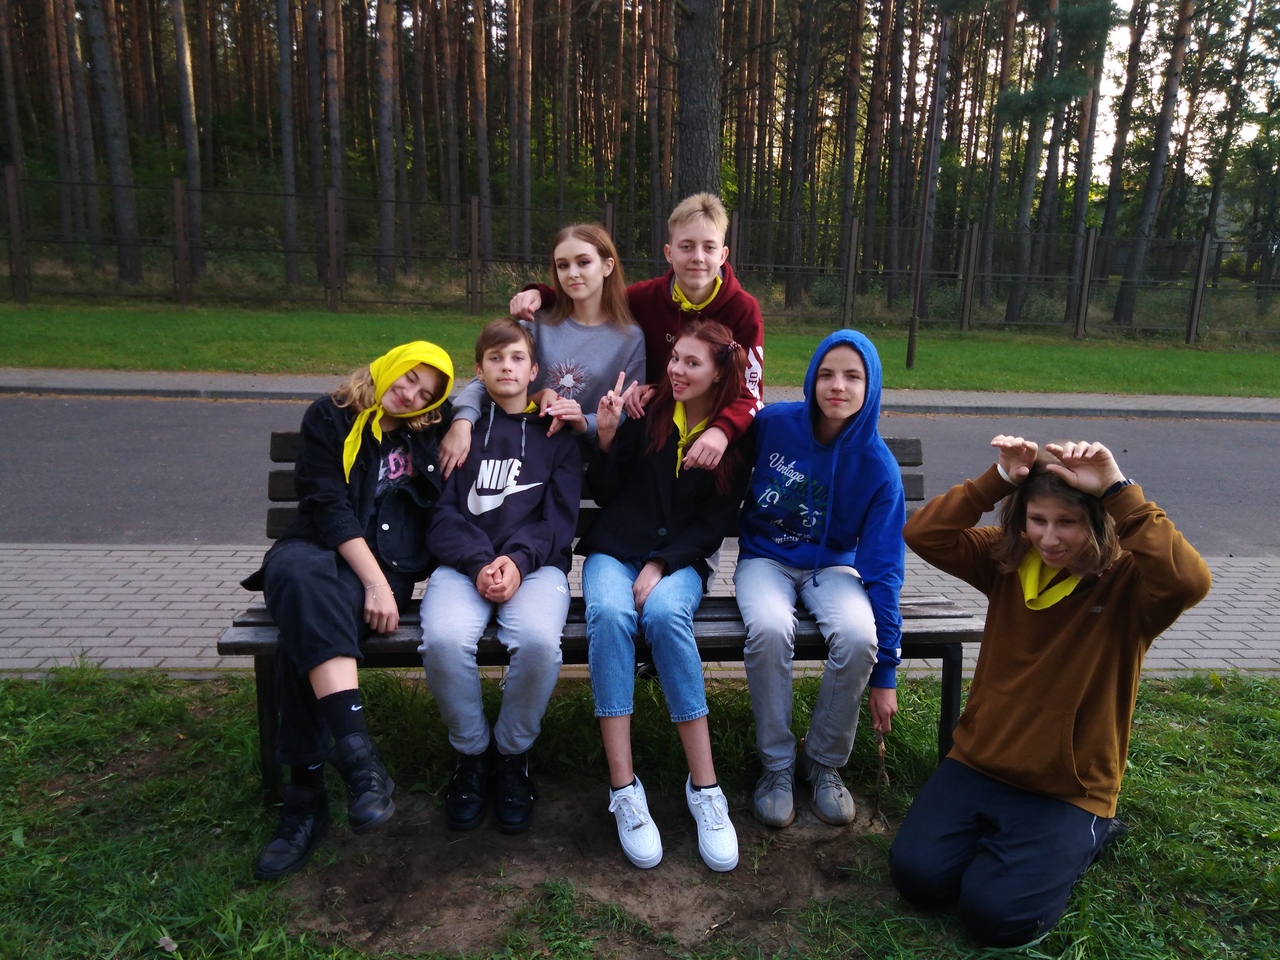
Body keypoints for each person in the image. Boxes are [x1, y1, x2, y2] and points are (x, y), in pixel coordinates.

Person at [890, 436, 1212, 949]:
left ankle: (1090, 835)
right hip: (981, 760)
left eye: (1069, 522)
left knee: (995, 919)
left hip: (1068, 783)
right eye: (1037, 519)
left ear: (1099, 522)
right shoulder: (1008, 558)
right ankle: (1013, 844)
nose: (1050, 537)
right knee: (916, 878)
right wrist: (999, 479)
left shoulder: (1130, 584)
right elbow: (924, 533)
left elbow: (1189, 582)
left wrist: (1116, 489)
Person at [244, 341, 455, 880]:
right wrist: (375, 583)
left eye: (426, 394)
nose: (410, 395)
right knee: (300, 579)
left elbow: (495, 384)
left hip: (387, 564)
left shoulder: (429, 430)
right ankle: (361, 764)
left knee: (304, 626)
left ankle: (304, 801)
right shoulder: (331, 415)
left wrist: (466, 425)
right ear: (390, 365)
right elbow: (326, 504)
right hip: (318, 549)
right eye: (408, 378)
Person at [579, 320, 753, 873]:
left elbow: (715, 523)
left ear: (719, 373)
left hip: (679, 559)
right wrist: (607, 436)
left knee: (665, 616)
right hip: (615, 550)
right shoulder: (648, 411)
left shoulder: (732, 438)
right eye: (676, 358)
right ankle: (624, 790)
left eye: (692, 363)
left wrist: (662, 563)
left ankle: (706, 790)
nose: (676, 370)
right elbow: (605, 491)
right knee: (610, 613)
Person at [735, 330, 904, 829]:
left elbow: (884, 569)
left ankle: (823, 761)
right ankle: (777, 766)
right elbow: (725, 453)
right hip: (764, 558)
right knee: (770, 628)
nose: (838, 386)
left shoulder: (878, 467)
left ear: (870, 387)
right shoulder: (774, 424)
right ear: (811, 379)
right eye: (826, 374)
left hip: (832, 566)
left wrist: (887, 672)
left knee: (857, 635)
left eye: (853, 376)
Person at [418, 318, 582, 835]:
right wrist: (477, 563)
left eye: (516, 358)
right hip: (463, 566)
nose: (506, 367)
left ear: (534, 371)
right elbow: (441, 516)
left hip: (535, 568)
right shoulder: (459, 434)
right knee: (443, 640)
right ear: (479, 369)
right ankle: (472, 753)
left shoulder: (556, 437)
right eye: (495, 358)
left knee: (538, 642)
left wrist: (516, 561)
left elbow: (559, 522)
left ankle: (512, 754)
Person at [510, 193, 763, 470]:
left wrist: (721, 431)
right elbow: (591, 293)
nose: (698, 257)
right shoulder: (644, 298)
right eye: (687, 246)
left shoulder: (743, 309)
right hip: (656, 427)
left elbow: (751, 393)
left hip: (713, 428)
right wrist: (542, 294)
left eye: (709, 247)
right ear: (669, 252)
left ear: (723, 254)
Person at [440, 223, 645, 476]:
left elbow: (624, 413)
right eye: (563, 265)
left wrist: (583, 422)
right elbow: (485, 380)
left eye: (583, 262)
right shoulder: (535, 324)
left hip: (582, 462)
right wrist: (461, 422)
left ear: (607, 266)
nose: (572, 273)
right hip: (518, 449)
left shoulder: (630, 338)